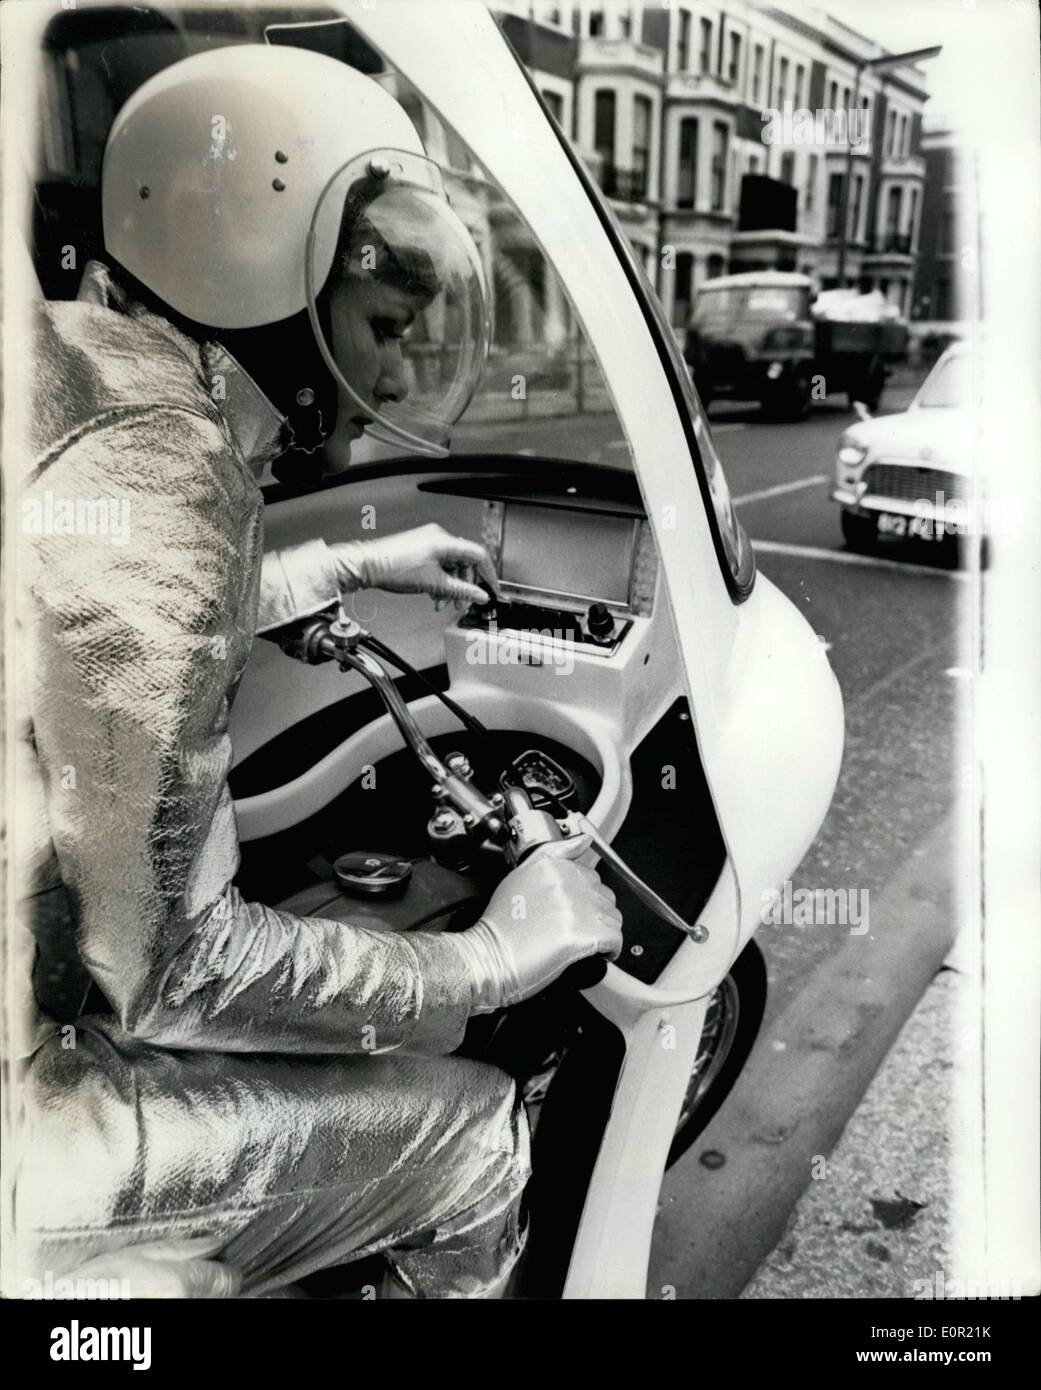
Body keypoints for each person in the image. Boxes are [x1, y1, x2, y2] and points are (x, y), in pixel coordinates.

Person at [12, 42, 622, 1299]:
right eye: (385, 326)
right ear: (266, 275)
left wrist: (337, 571)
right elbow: (170, 969)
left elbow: (88, 640)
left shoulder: (78, 367)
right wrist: (493, 959)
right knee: (476, 1135)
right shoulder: (166, 462)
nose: (396, 372)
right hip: (29, 1110)